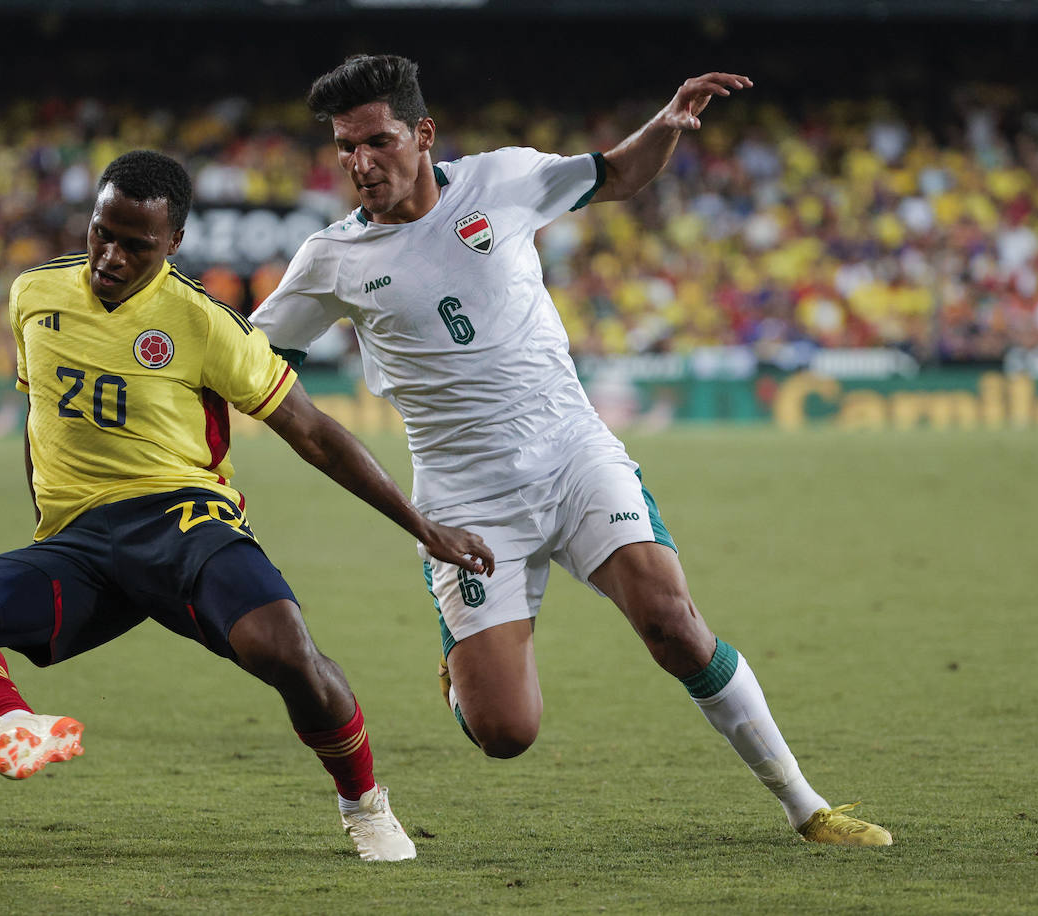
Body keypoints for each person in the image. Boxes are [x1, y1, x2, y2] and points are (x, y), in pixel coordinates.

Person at [250, 55, 892, 847]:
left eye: (377, 141)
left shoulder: (502, 181)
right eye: (346, 147)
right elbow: (250, 358)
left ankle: (807, 806)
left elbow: (619, 175)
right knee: (505, 733)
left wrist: (667, 124)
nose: (360, 162)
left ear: (422, 134)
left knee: (673, 623)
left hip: (572, 453)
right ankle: (462, 669)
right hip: (464, 502)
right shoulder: (331, 260)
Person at [0, 150, 494, 863]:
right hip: (80, 543)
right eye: (101, 233)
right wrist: (49, 526)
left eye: (135, 245)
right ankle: (13, 724)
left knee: (285, 650)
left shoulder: (206, 324)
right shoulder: (34, 294)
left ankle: (363, 802)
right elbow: (39, 417)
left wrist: (423, 528)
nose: (110, 257)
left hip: (183, 522)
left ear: (174, 243)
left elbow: (315, 434)